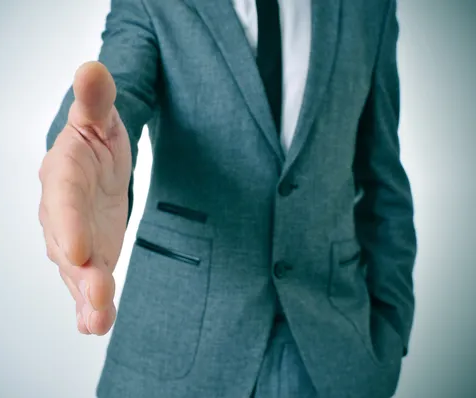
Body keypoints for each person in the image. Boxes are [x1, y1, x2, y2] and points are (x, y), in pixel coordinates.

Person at [39, 0, 417, 397]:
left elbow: (383, 179)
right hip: (175, 351)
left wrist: (392, 328)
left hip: (332, 356)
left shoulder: (369, 8)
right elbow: (114, 96)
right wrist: (85, 155)